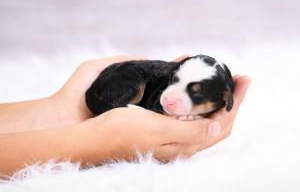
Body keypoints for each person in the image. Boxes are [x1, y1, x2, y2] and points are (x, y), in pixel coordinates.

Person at [0, 56, 250, 177]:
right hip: (116, 83)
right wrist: (94, 140)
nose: (171, 97)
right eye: (174, 81)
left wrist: (59, 110)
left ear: (224, 100)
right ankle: (108, 105)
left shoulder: (220, 94)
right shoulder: (163, 93)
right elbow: (157, 104)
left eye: (195, 94)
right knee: (133, 85)